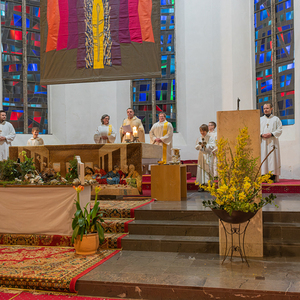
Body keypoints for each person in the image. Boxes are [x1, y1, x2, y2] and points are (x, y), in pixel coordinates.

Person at [260, 103, 282, 182]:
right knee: (263, 157)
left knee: (273, 158)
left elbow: (280, 129)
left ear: (271, 109)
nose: (265, 110)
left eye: (267, 108)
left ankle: (272, 176)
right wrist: (261, 134)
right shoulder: (260, 119)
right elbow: (256, 129)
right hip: (263, 142)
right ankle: (263, 175)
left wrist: (272, 134)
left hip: (273, 141)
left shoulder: (276, 119)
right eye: (264, 108)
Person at [195, 124, 215, 191]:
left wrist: (206, 145)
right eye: (201, 131)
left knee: (208, 169)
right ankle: (202, 185)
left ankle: (210, 185)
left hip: (208, 155)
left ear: (206, 130)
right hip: (201, 155)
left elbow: (212, 146)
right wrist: (201, 146)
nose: (202, 132)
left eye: (203, 131)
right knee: (201, 169)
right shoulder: (199, 138)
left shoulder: (210, 138)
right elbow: (196, 146)